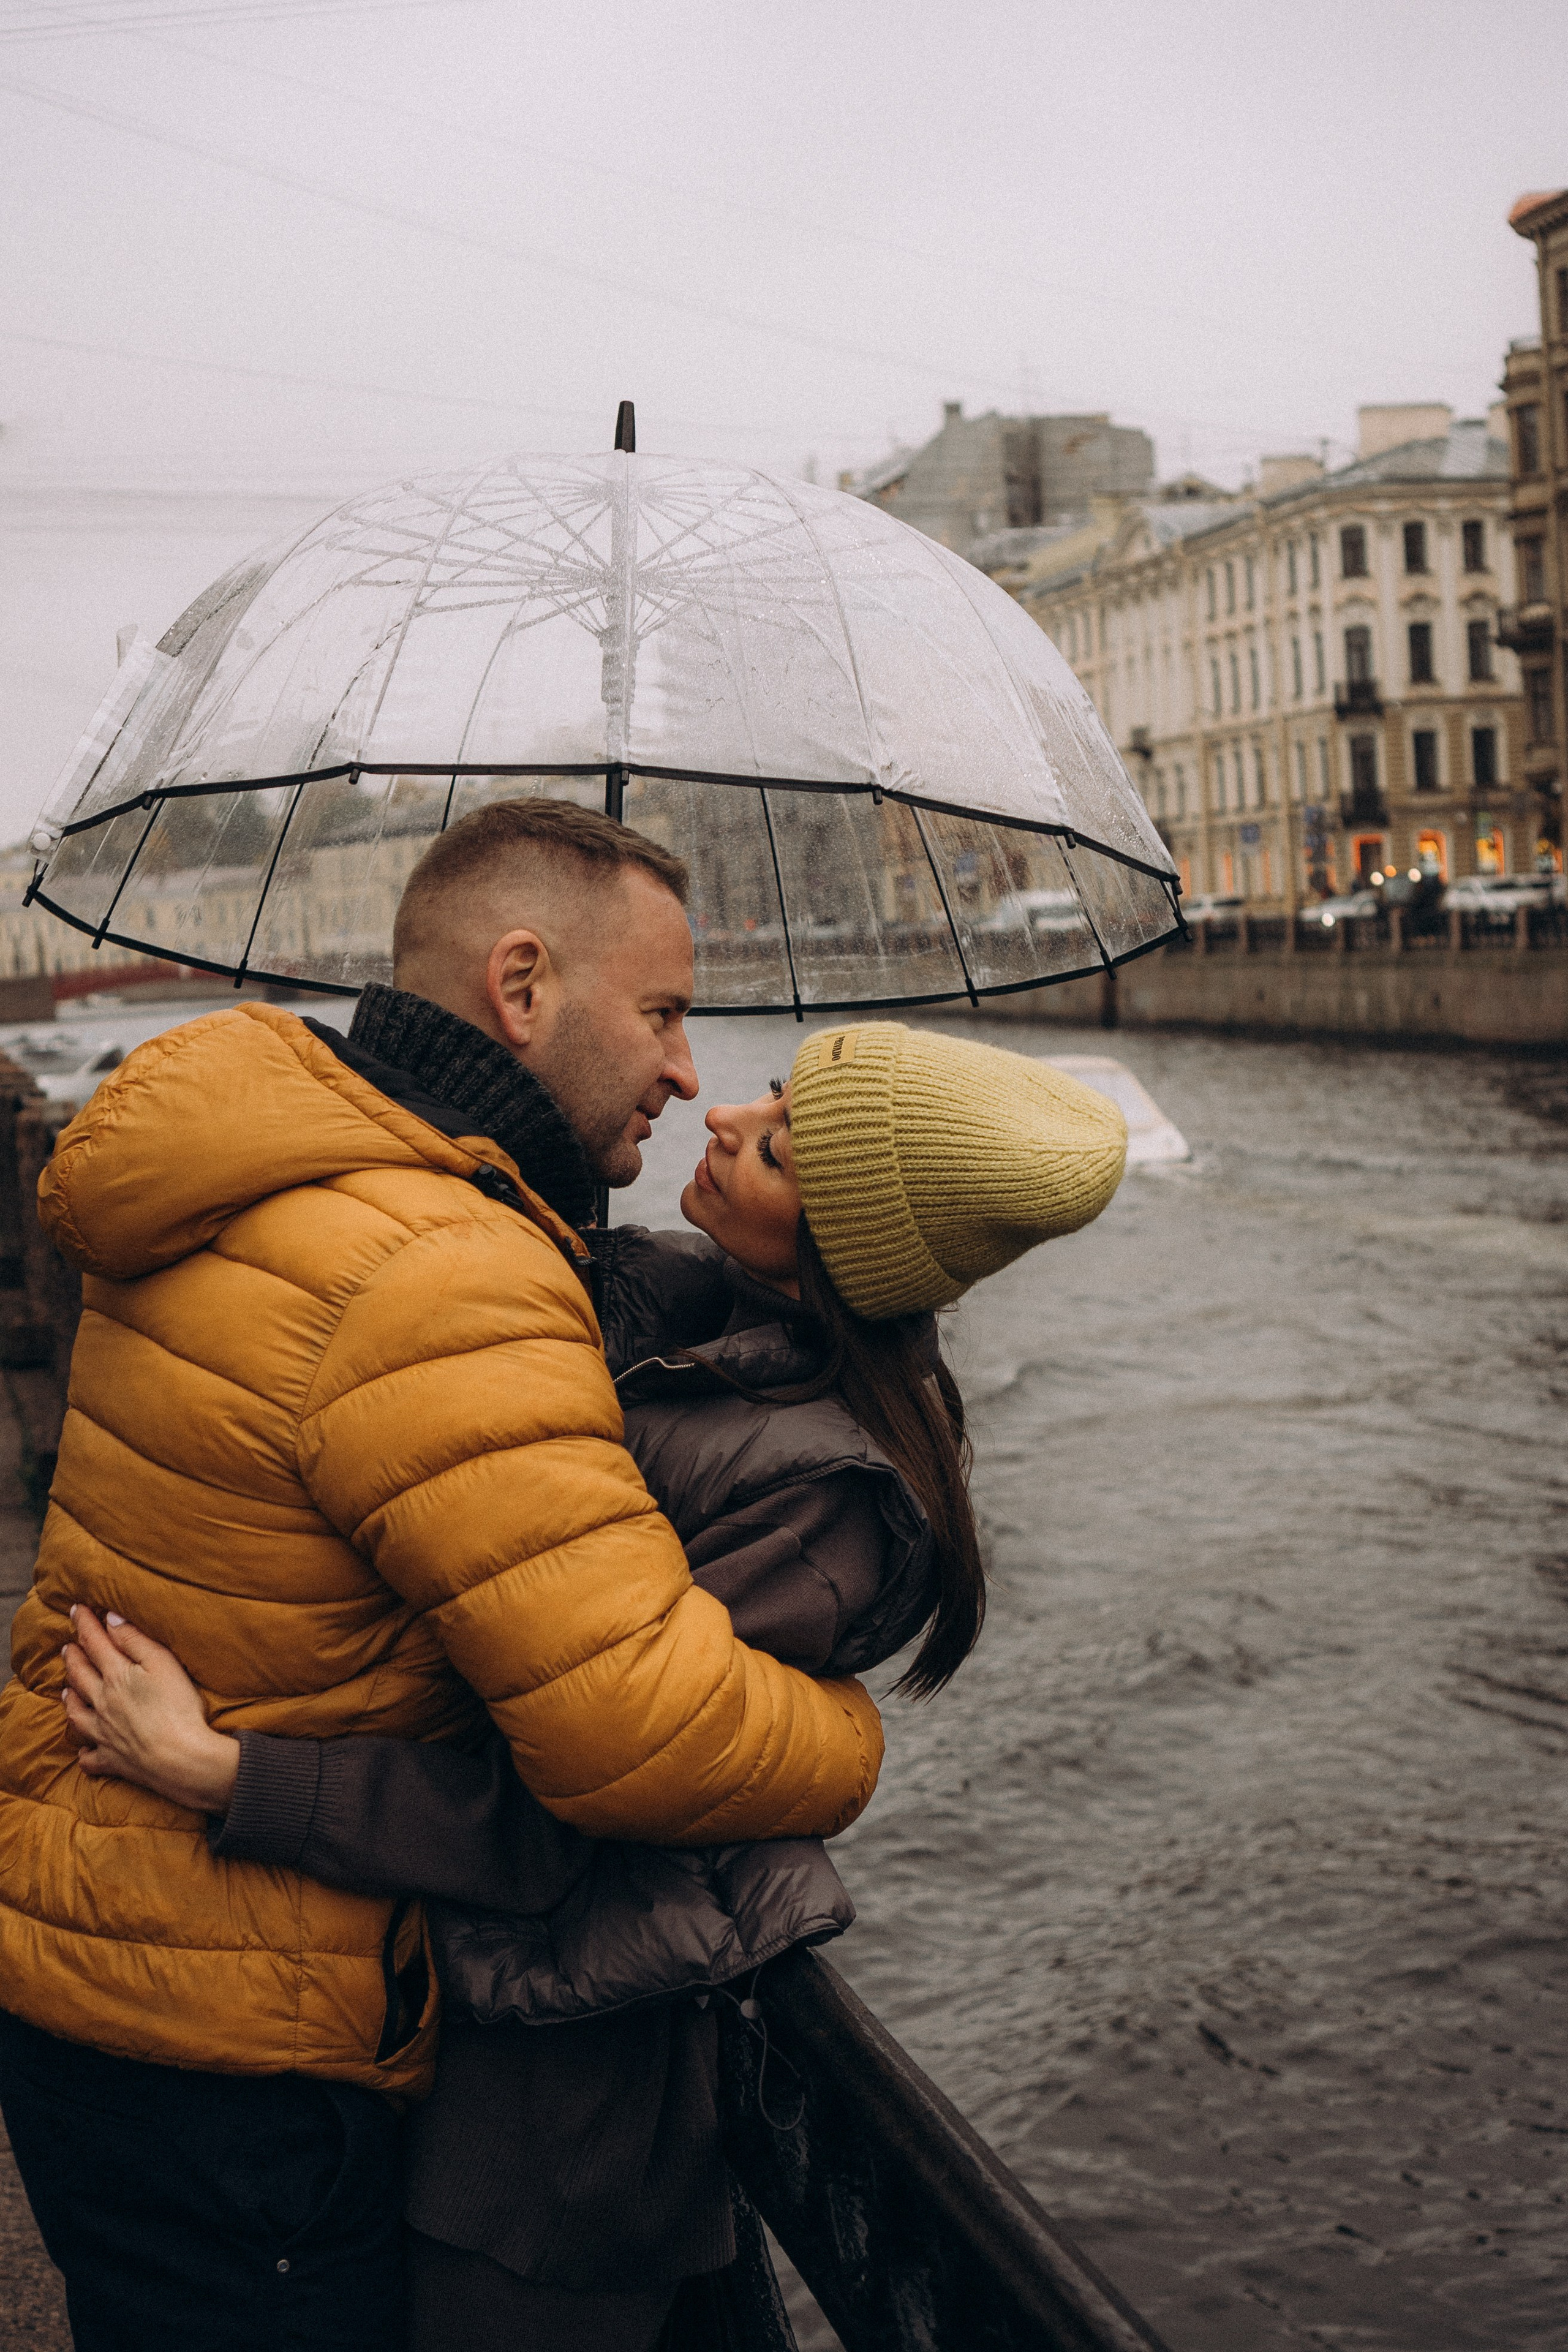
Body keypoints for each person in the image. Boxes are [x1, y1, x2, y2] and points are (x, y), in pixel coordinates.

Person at [49, 1019, 1129, 2346]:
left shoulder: (826, 1502)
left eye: (780, 1147)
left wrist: (234, 1775)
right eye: (774, 1093)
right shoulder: (667, 1305)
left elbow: (582, 1799)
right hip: (454, 2009)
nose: (722, 1114)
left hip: (556, 2111)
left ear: (839, 1260)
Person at [0, 799, 888, 2352]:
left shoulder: (276, 1156)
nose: (689, 1073)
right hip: (241, 2039)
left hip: (100, 1949)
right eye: (665, 1013)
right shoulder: (439, 1264)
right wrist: (847, 1739)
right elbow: (635, 1729)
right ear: (523, 984)